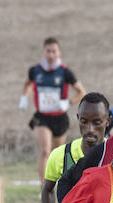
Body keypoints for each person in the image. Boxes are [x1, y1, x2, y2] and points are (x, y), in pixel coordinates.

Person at [19, 36, 87, 183]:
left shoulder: (65, 72)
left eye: (54, 51)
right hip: (42, 117)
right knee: (45, 151)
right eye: (48, 51)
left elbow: (82, 92)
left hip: (59, 117)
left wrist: (68, 102)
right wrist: (24, 97)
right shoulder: (35, 71)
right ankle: (43, 187)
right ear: (44, 52)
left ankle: (60, 184)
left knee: (58, 154)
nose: (50, 55)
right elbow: (27, 84)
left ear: (59, 53)